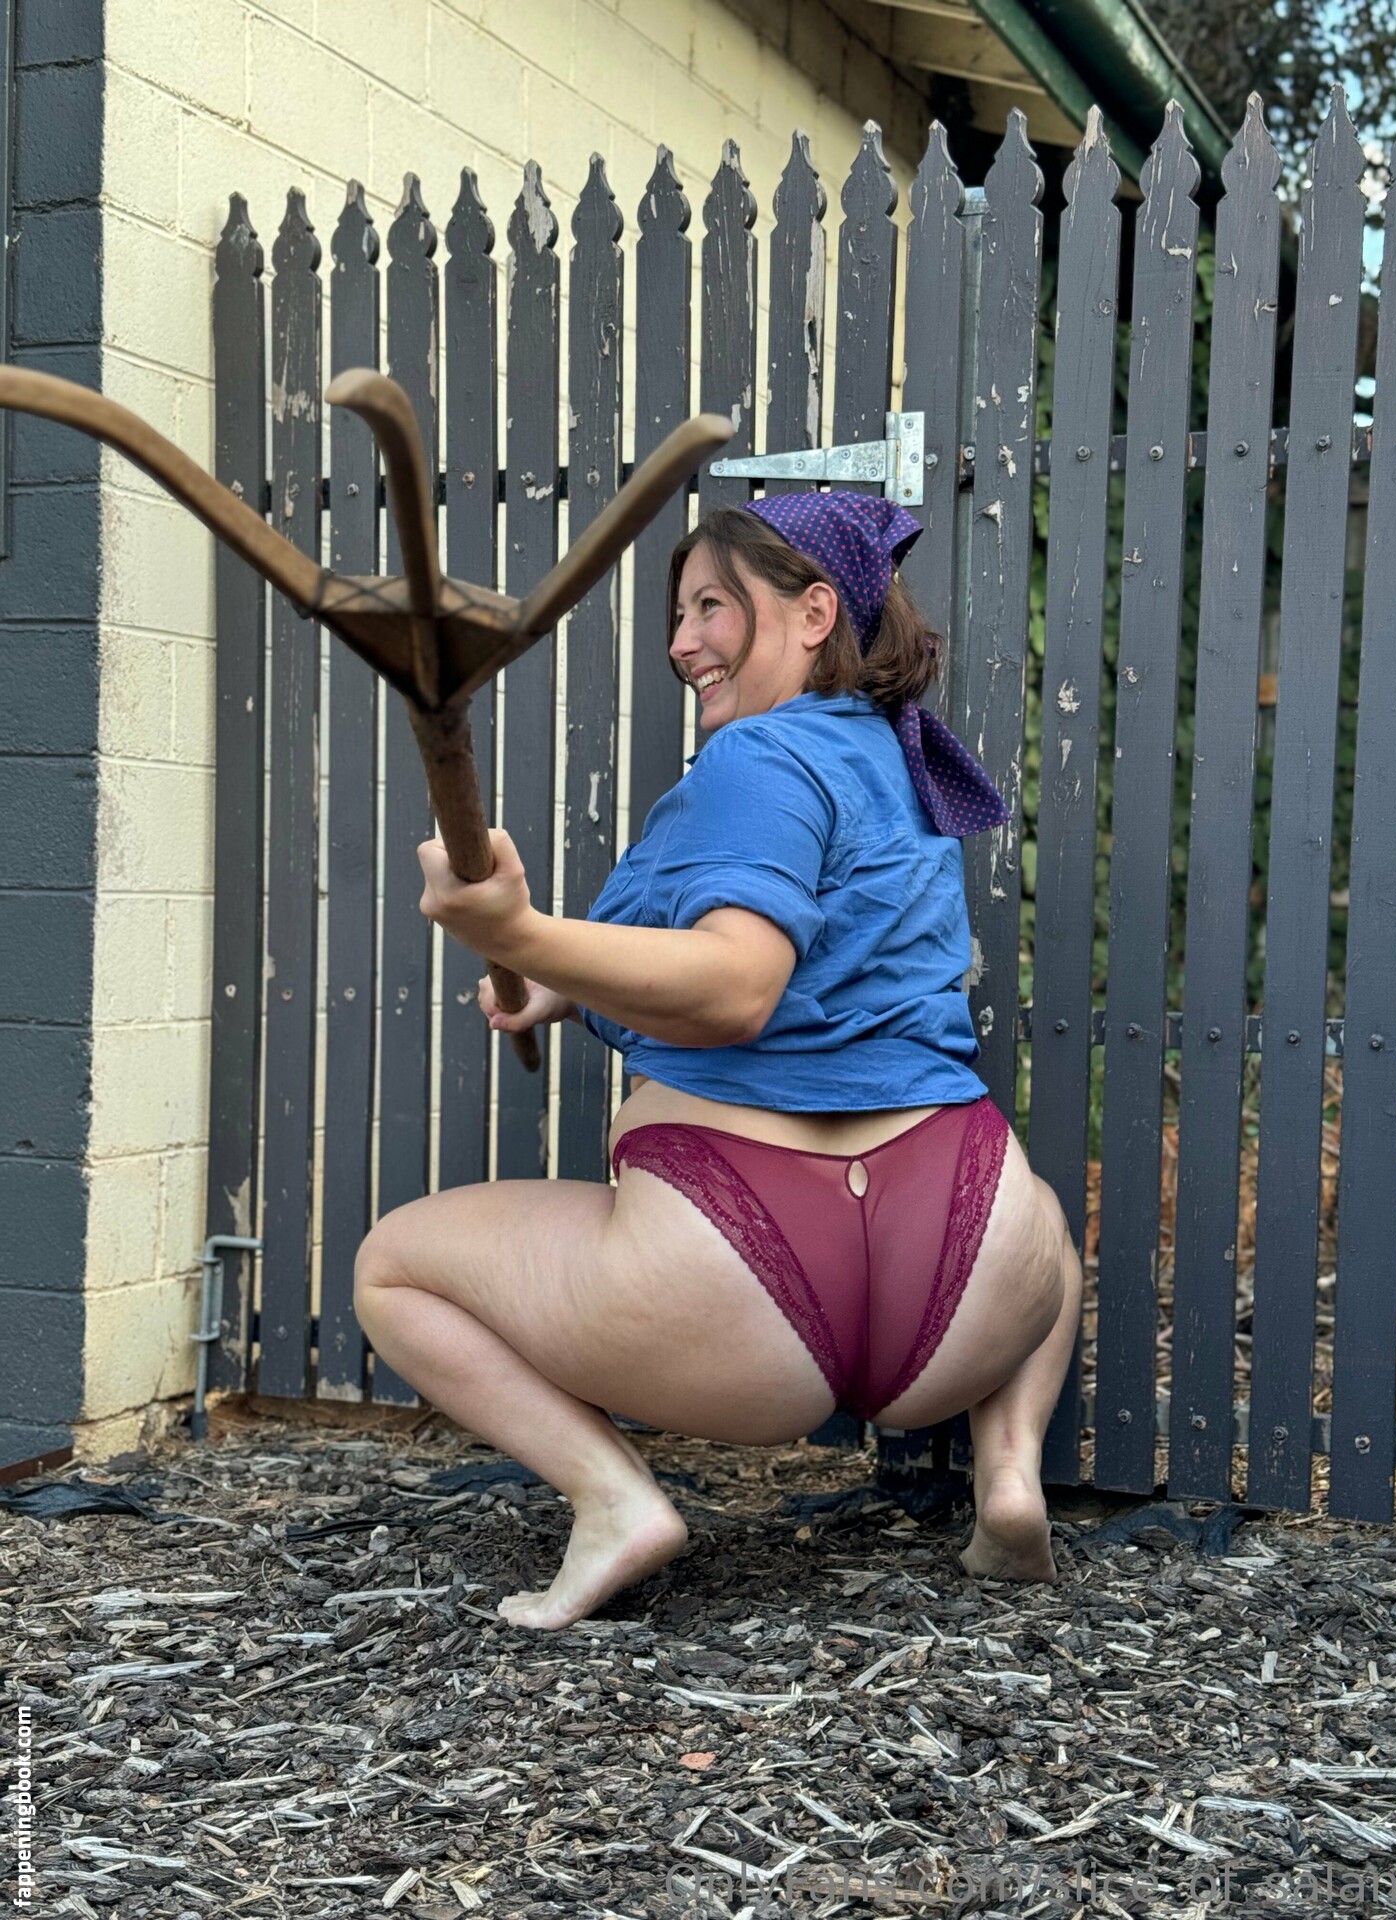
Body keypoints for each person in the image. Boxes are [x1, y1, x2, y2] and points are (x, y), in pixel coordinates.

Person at [353, 490, 1083, 1632]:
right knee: (1041, 1218)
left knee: (391, 1268)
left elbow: (739, 985)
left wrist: (520, 934)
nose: (682, 642)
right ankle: (1009, 1476)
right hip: (967, 1265)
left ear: (814, 613)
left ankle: (614, 1503)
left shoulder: (759, 757)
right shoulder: (895, 762)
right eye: (680, 613)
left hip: (739, 1269)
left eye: (710, 607)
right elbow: (810, 957)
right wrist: (569, 984)